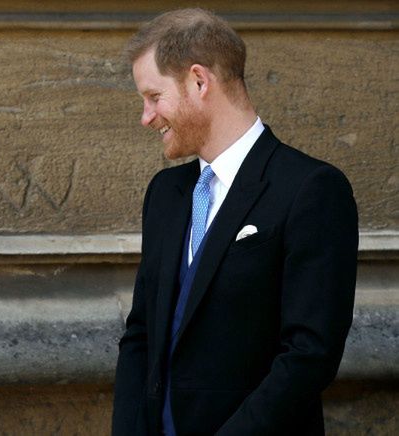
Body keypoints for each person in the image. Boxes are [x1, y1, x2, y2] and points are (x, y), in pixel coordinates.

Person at [112, 8, 358, 435]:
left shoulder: (311, 189)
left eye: (154, 97)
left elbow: (308, 356)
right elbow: (141, 336)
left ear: (199, 81)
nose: (146, 117)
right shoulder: (166, 195)